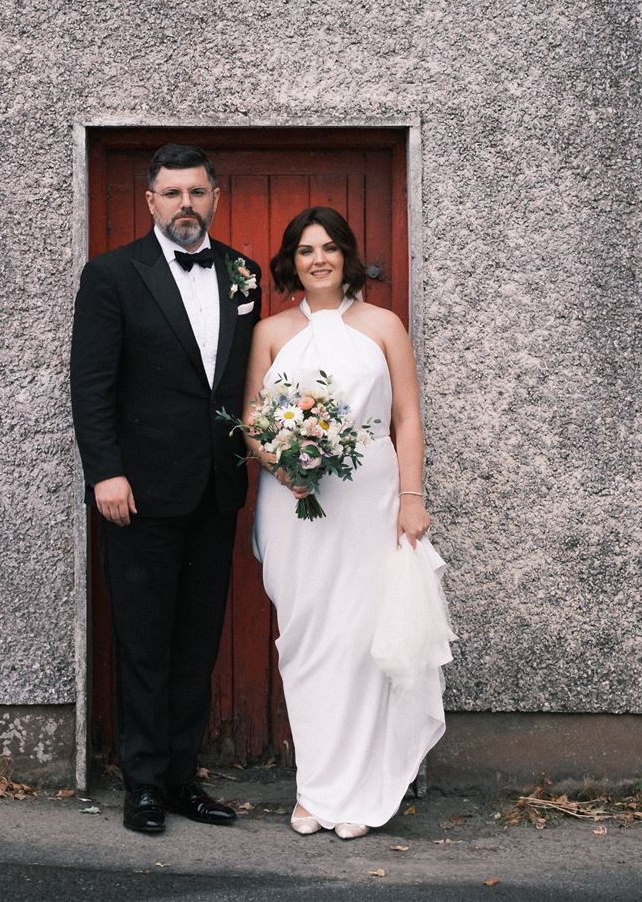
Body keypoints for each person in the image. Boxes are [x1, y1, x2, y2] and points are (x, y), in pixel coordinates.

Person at [69, 143, 262, 834]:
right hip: (139, 494)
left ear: (216, 195)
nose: (186, 203)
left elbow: (240, 379)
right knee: (145, 641)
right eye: (172, 192)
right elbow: (91, 387)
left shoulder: (244, 273)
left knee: (196, 641)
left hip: (215, 489)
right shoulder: (112, 276)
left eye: (197, 191)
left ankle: (182, 779)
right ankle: (143, 785)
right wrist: (105, 472)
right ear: (150, 201)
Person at [244, 205, 443, 839]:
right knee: (306, 642)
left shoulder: (383, 324)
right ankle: (315, 789)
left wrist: (412, 496)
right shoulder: (272, 331)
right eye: (305, 251)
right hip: (295, 500)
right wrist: (280, 464)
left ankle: (356, 792)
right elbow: (252, 415)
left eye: (329, 248)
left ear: (347, 255)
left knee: (360, 639)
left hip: (369, 498)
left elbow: (406, 417)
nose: (318, 259)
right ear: (291, 262)